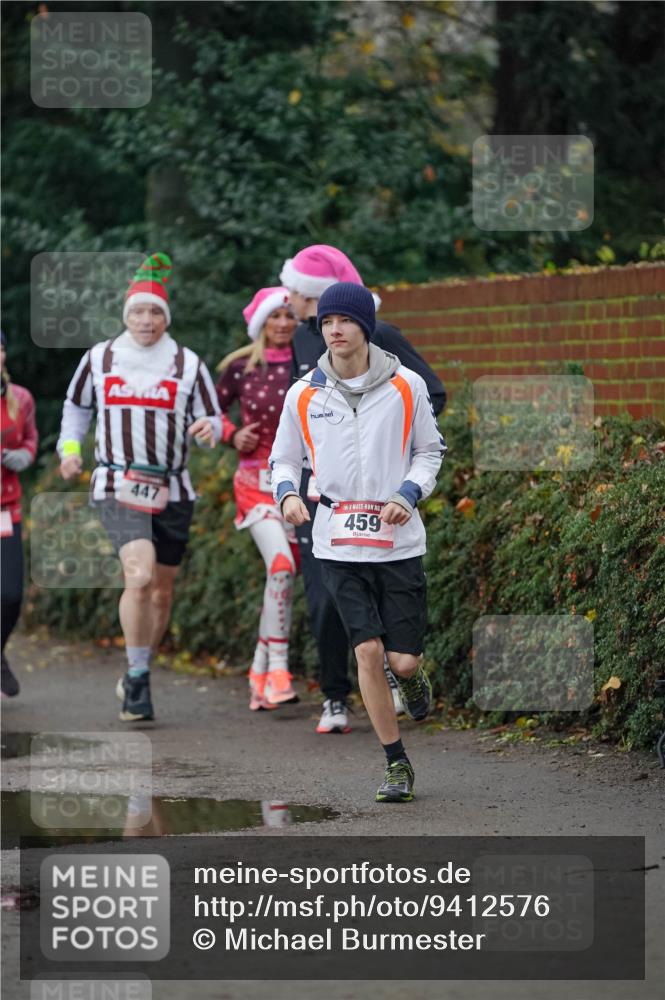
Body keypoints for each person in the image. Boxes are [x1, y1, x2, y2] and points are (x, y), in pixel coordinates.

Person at [270, 282, 446, 802]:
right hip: (337, 543)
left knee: (402, 660)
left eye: (344, 321)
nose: (334, 330)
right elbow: (284, 458)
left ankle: (412, 679)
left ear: (365, 326)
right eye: (326, 323)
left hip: (398, 543)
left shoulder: (407, 385)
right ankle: (397, 765)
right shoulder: (304, 392)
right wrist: (286, 496)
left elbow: (430, 452)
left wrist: (408, 493)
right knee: (366, 650)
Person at [57, 252, 226, 722]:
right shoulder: (101, 357)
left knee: (161, 594)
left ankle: (137, 668)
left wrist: (209, 429)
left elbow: (211, 416)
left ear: (165, 318)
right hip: (117, 480)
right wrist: (70, 450)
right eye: (138, 311)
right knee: (140, 574)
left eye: (155, 312)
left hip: (174, 487)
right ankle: (138, 682)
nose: (146, 320)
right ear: (125, 314)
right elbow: (76, 410)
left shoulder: (187, 364)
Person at [215, 287, 299, 711]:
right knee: (281, 567)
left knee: (280, 577)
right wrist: (231, 434)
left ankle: (259, 671)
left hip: (300, 487)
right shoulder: (239, 366)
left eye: (290, 315)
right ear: (261, 323)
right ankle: (279, 668)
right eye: (275, 316)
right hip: (254, 482)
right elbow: (207, 411)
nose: (283, 323)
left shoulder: (311, 362)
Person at [1, 330, 38, 698]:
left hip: (5, 508)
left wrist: (24, 456)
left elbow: (30, 438)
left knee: (10, 594)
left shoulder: (21, 399)